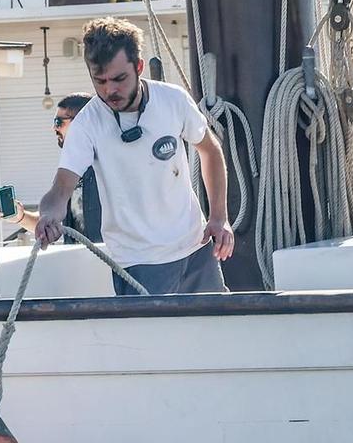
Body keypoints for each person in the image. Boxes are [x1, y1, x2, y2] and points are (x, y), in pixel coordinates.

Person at [34, 18, 231, 295]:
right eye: (99, 81)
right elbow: (61, 187)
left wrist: (219, 218)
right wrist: (48, 216)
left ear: (138, 67)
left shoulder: (173, 100)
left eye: (119, 79)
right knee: (151, 340)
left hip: (196, 249)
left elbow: (210, 150)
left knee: (216, 334)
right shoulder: (87, 124)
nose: (109, 90)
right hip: (140, 263)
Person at [15, 94, 102, 244]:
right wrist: (20, 217)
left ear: (81, 122)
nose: (54, 128)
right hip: (78, 261)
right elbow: (50, 223)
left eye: (59, 122)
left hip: (111, 261)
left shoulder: (106, 164)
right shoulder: (69, 171)